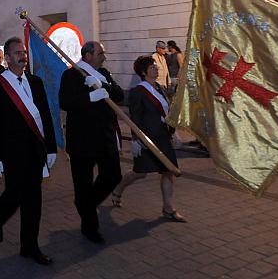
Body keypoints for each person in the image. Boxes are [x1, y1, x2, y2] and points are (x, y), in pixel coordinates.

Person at [0, 37, 58, 266]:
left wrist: (51, 148)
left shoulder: (35, 82)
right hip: (12, 152)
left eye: (24, 52)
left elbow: (45, 115)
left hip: (35, 150)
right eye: (17, 53)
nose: (22, 56)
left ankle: (30, 247)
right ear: (7, 58)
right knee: (15, 195)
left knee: (33, 202)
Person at [58, 41, 124, 244]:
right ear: (87, 55)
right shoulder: (71, 75)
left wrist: (103, 85)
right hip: (82, 141)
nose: (104, 57)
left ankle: (85, 204)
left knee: (113, 176)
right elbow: (65, 102)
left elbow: (119, 95)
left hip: (105, 137)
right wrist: (90, 97)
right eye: (100, 53)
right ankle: (90, 227)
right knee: (83, 184)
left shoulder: (103, 73)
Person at [112, 56, 186, 222]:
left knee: (168, 171)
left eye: (155, 66)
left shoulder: (159, 88)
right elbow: (135, 117)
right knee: (140, 173)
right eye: (152, 67)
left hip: (162, 136)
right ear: (144, 72)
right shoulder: (138, 91)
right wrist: (136, 139)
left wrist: (172, 131)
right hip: (147, 139)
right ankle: (118, 189)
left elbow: (165, 112)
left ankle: (168, 208)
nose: (156, 68)